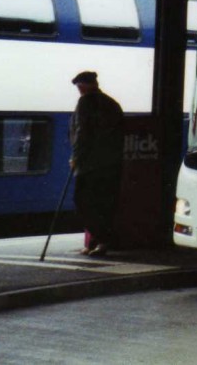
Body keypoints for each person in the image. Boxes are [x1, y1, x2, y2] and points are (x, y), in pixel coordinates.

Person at [69, 71, 124, 256]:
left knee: (82, 202)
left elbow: (82, 133)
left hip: (89, 165)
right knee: (103, 204)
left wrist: (76, 157)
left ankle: (102, 240)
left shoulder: (85, 102)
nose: (79, 90)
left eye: (79, 86)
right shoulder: (112, 103)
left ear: (84, 85)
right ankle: (97, 242)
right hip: (112, 164)